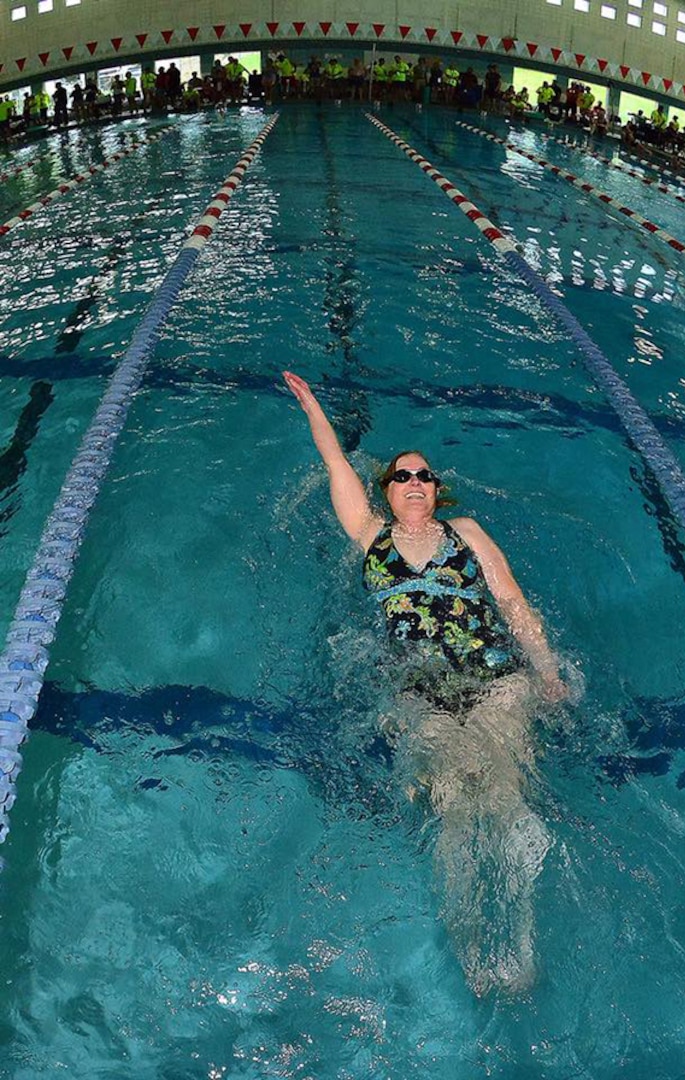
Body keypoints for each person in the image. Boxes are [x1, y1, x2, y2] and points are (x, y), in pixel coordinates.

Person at [283, 370, 569, 993]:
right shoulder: (369, 537)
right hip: (419, 690)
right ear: (386, 491)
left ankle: (520, 939)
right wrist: (313, 408)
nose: (415, 482)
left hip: (495, 675)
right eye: (402, 476)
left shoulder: (467, 534)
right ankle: (473, 947)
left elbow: (512, 599)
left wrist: (544, 668)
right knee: (453, 809)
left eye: (424, 476)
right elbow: (334, 463)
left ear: (438, 492)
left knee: (504, 793)